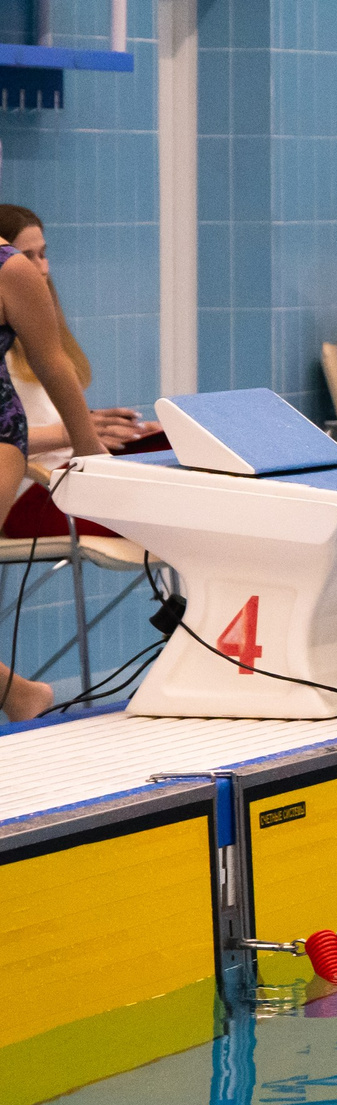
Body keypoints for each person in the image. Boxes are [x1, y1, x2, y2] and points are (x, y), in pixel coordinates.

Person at [0, 203, 106, 724]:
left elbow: (54, 364)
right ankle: (18, 694)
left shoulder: (9, 269)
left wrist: (89, 447)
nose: (43, 262)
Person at [0, 206, 158, 497]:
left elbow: (46, 406)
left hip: (66, 470)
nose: (42, 268)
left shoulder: (42, 344)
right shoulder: (6, 348)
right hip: (37, 482)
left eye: (43, 254)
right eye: (27, 257)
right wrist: (72, 433)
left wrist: (119, 432)